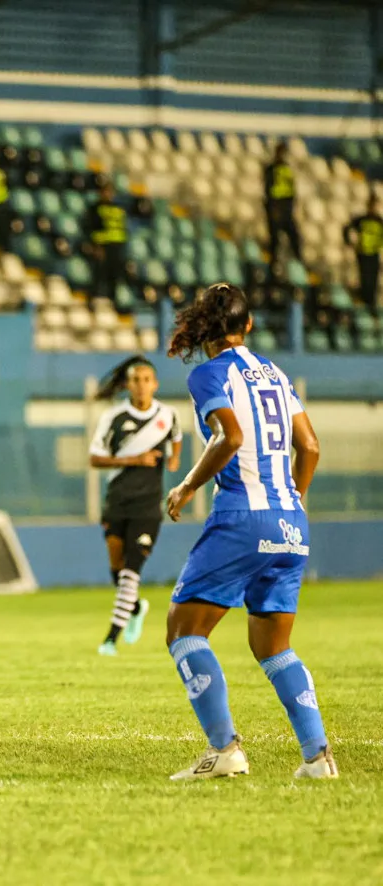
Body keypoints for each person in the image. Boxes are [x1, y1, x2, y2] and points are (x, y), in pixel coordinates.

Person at [163, 282, 336, 780]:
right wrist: (291, 506)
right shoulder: (277, 374)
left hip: (243, 517)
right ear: (249, 326)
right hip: (291, 522)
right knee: (274, 646)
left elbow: (231, 436)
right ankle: (318, 757)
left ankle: (225, 750)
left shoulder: (208, 375)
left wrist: (189, 484)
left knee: (184, 629)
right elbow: (312, 447)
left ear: (204, 327)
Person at [89, 356, 182, 656]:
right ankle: (136, 607)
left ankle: (110, 639)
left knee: (131, 570)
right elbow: (94, 458)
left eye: (146, 380)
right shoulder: (113, 417)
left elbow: (176, 438)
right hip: (116, 502)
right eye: (135, 380)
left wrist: (175, 459)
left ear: (155, 384)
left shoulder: (168, 415)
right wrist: (134, 459)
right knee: (116, 568)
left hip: (147, 508)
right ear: (127, 385)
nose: (141, 386)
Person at [86, 183, 128, 300]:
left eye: (110, 192)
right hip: (102, 245)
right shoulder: (95, 208)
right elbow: (91, 227)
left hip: (116, 246)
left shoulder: (118, 208)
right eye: (106, 192)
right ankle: (93, 299)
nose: (108, 195)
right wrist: (96, 246)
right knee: (98, 275)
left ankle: (112, 300)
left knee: (114, 277)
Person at [343, 196, 383, 314]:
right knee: (365, 279)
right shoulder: (362, 219)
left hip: (374, 254)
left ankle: (371, 307)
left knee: (373, 282)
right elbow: (347, 228)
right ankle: (364, 304)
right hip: (363, 253)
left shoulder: (379, 221)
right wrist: (349, 242)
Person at [264, 142, 301, 262]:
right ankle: (274, 264)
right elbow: (268, 188)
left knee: (294, 236)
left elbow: (292, 188)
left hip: (286, 206)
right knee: (275, 239)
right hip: (276, 206)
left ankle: (297, 260)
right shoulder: (272, 168)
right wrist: (272, 207)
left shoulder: (287, 168)